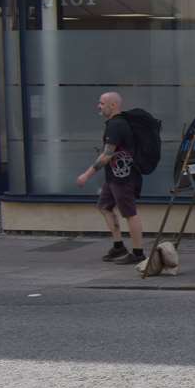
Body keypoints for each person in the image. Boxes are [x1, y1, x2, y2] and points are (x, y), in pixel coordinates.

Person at [76, 91, 146, 265]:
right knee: (105, 206)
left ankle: (138, 253)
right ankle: (118, 246)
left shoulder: (116, 125)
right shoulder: (115, 124)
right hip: (113, 176)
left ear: (113, 105)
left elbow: (107, 155)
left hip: (123, 177)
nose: (98, 106)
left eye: (101, 103)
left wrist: (86, 175)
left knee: (130, 213)